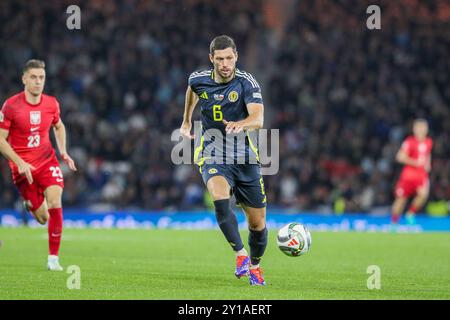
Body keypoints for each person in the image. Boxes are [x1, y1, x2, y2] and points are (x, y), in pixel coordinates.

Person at [179, 35, 268, 285]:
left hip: (244, 156)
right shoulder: (199, 80)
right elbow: (192, 91)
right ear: (212, 59)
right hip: (213, 150)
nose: (225, 64)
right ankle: (240, 255)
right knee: (219, 197)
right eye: (220, 59)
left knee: (257, 223)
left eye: (229, 58)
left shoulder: (246, 83)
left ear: (236, 57)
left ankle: (255, 265)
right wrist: (186, 120)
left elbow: (258, 119)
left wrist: (241, 124)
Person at [0, 59, 77, 270]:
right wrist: (19, 162)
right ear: (24, 79)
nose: (37, 82)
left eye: (41, 78)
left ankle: (53, 259)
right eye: (33, 77)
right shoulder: (11, 106)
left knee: (55, 201)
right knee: (42, 218)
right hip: (22, 170)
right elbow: (0, 139)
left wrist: (63, 151)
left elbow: (59, 126)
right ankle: (28, 203)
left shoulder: (51, 103)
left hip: (46, 161)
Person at [391, 119, 433, 229]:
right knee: (401, 200)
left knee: (423, 194)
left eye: (423, 127)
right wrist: (415, 162)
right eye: (418, 127)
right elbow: (400, 157)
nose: (421, 130)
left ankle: (410, 214)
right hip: (408, 175)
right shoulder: (409, 141)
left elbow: (427, 154)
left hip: (421, 175)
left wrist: (428, 164)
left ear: (426, 129)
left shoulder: (429, 142)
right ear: (414, 129)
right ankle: (394, 223)